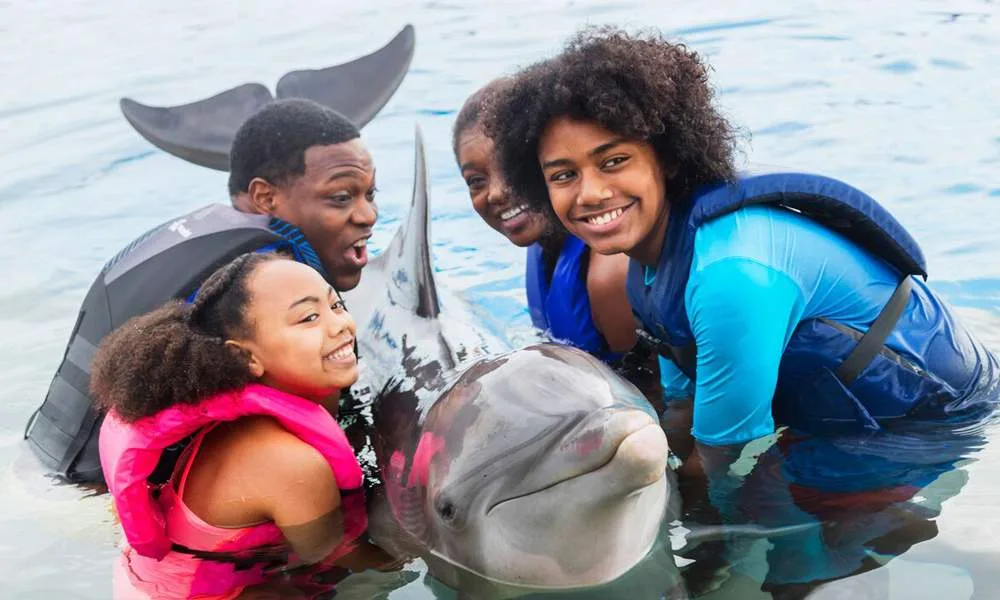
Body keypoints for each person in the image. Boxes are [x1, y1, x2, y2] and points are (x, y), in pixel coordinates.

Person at [488, 27, 998, 492]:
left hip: (935, 420)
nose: (591, 193)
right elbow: (683, 406)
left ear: (666, 157)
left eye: (614, 161)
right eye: (563, 175)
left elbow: (728, 458)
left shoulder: (729, 274)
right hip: (853, 414)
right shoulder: (650, 264)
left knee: (781, 544)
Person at [26, 98, 379, 483]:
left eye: (371, 194)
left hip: (42, 462)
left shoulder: (190, 235)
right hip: (99, 488)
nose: (369, 216)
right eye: (341, 198)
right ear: (265, 198)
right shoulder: (269, 278)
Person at [94, 252, 398, 599]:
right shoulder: (290, 463)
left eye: (335, 305)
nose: (340, 325)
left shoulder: (238, 420)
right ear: (246, 357)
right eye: (309, 317)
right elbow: (336, 558)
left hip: (148, 579)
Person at [453, 77, 663, 411]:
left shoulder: (609, 278)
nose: (496, 192)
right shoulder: (545, 240)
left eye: (510, 168)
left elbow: (655, 403)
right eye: (476, 180)